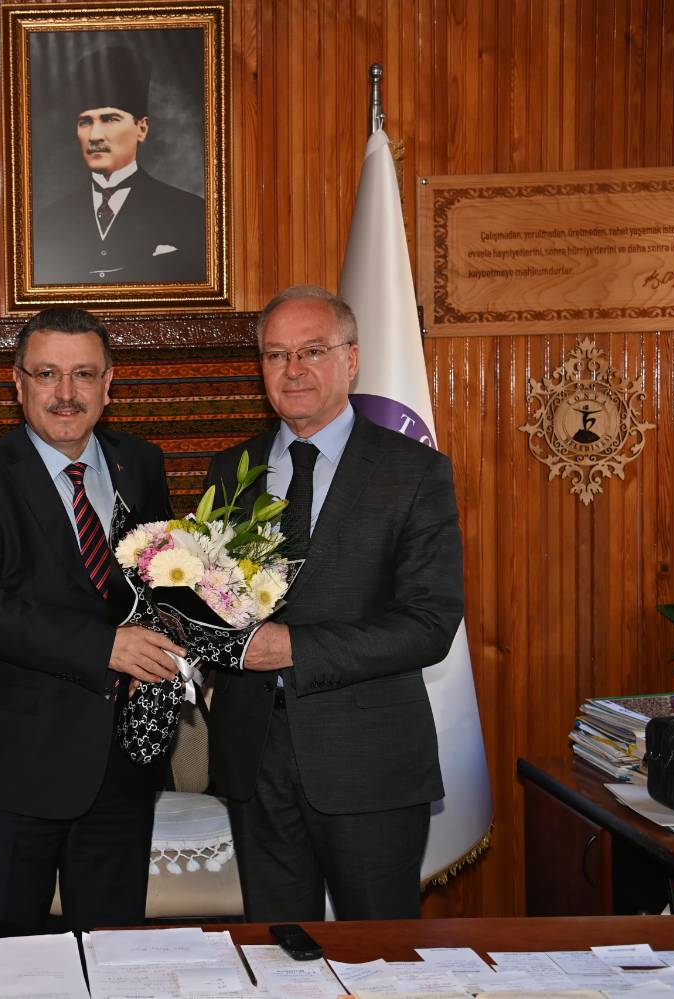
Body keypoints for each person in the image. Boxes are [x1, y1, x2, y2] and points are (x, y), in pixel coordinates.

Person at [204, 285, 465, 921]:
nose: (293, 370)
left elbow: (429, 624)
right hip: (253, 757)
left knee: (379, 957)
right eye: (276, 355)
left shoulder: (414, 472)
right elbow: (208, 600)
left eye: (312, 351)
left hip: (367, 759)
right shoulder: (231, 469)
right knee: (277, 951)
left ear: (352, 359)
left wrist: (293, 648)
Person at [0, 306, 183, 929]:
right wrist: (104, 647)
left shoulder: (141, 464)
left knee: (113, 954)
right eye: (47, 374)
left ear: (109, 384)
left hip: (123, 766)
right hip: (17, 772)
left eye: (83, 374)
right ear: (18, 384)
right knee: (5, 957)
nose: (66, 393)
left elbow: (160, 586)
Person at [32, 45, 206, 286]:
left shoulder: (189, 212)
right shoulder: (52, 221)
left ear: (141, 128)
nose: (95, 136)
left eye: (109, 119)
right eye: (85, 122)